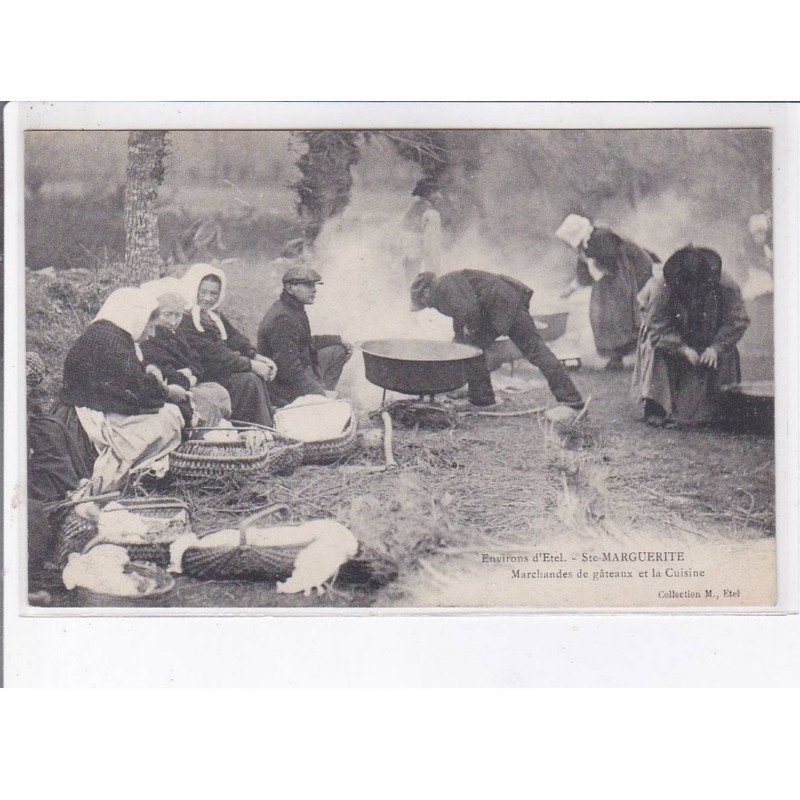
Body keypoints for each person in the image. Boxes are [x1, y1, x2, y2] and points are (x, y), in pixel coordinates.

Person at [59, 288, 185, 494]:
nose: (152, 334)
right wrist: (168, 392)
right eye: (150, 326)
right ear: (136, 317)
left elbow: (130, 385)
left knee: (167, 414)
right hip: (84, 423)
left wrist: (153, 381)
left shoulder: (108, 334)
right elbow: (139, 394)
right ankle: (121, 478)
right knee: (169, 418)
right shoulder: (110, 341)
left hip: (93, 407)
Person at [409, 269, 584, 409]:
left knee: (535, 351)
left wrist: (470, 331)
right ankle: (482, 399)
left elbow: (469, 310)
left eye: (422, 300)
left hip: (505, 307)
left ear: (426, 290)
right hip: (502, 307)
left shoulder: (444, 286)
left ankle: (570, 398)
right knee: (472, 350)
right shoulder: (445, 288)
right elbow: (460, 315)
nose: (426, 305)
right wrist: (459, 341)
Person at [637, 245, 750, 427]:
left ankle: (723, 405)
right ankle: (656, 406)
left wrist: (716, 348)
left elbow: (737, 321)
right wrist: (681, 348)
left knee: (726, 356)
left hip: (712, 336)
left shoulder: (726, 285)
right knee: (655, 351)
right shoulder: (661, 287)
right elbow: (657, 329)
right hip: (671, 338)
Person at [178, 264, 276, 426]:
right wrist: (250, 364)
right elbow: (213, 353)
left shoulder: (213, 315)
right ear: (194, 289)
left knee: (255, 377)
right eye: (203, 292)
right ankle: (250, 428)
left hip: (219, 368)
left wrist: (256, 356)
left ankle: (266, 424)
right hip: (203, 372)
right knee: (248, 380)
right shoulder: (186, 318)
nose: (208, 298)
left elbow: (235, 338)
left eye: (213, 293)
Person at [556, 214, 653, 370]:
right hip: (608, 282)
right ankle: (615, 355)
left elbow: (611, 261)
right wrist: (571, 289)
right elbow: (584, 272)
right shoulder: (585, 246)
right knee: (601, 315)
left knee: (621, 314)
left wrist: (593, 262)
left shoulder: (602, 237)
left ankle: (627, 355)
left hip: (624, 277)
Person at [257, 265, 352, 408]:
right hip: (281, 388)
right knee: (322, 396)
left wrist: (338, 339)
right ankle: (318, 402)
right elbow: (289, 370)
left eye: (314, 285)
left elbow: (306, 342)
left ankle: (321, 398)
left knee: (337, 350)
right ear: (290, 288)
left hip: (299, 370)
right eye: (308, 285)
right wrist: (319, 393)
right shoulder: (282, 318)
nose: (314, 290)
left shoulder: (294, 308)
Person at [139, 281, 232, 427]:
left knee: (220, 392)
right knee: (208, 400)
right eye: (167, 315)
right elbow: (167, 373)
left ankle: (211, 428)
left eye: (178, 315)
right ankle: (197, 436)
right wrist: (189, 377)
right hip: (172, 389)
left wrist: (190, 373)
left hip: (188, 382)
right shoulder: (151, 337)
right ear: (156, 314)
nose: (173, 321)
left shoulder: (178, 334)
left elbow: (196, 361)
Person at [401, 177, 444, 281]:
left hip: (407, 262)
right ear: (430, 194)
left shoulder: (410, 210)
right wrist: (436, 274)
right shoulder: (432, 214)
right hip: (422, 266)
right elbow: (432, 247)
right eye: (437, 192)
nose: (440, 196)